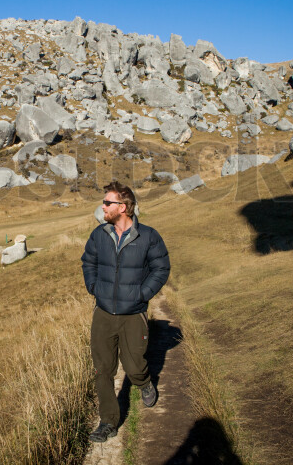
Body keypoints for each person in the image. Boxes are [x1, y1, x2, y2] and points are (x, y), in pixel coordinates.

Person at [81, 181, 170, 443]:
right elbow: (88, 261)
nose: (103, 207)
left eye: (107, 203)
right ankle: (108, 421)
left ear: (123, 207)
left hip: (134, 314)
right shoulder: (99, 234)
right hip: (104, 313)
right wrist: (94, 287)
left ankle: (143, 383)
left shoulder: (149, 236)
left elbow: (161, 269)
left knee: (133, 365)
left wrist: (142, 295)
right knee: (103, 369)